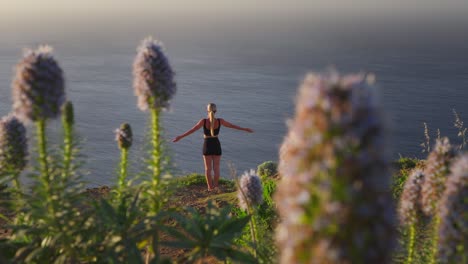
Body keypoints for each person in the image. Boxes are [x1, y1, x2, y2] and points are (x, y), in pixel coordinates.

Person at [172, 103, 253, 191]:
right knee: (216, 168)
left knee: (208, 169)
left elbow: (192, 130)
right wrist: (244, 129)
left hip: (207, 145)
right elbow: (232, 126)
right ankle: (216, 186)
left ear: (207, 111)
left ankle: (210, 188)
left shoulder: (203, 121)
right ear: (216, 111)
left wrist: (180, 137)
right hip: (216, 144)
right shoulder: (220, 121)